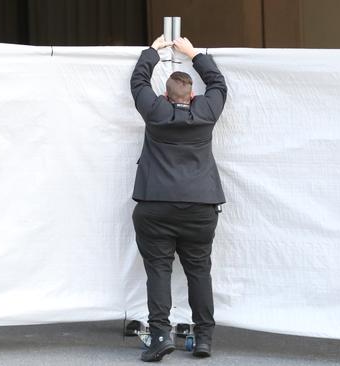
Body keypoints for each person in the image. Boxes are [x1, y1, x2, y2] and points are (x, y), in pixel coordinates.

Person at [130, 35, 227, 362]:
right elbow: (218, 83)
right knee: (199, 270)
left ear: (165, 95)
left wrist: (154, 50)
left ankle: (159, 337)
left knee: (158, 270)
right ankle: (204, 339)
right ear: (193, 96)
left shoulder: (156, 111)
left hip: (155, 205)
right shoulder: (206, 112)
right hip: (200, 207)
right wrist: (194, 53)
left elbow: (138, 79)